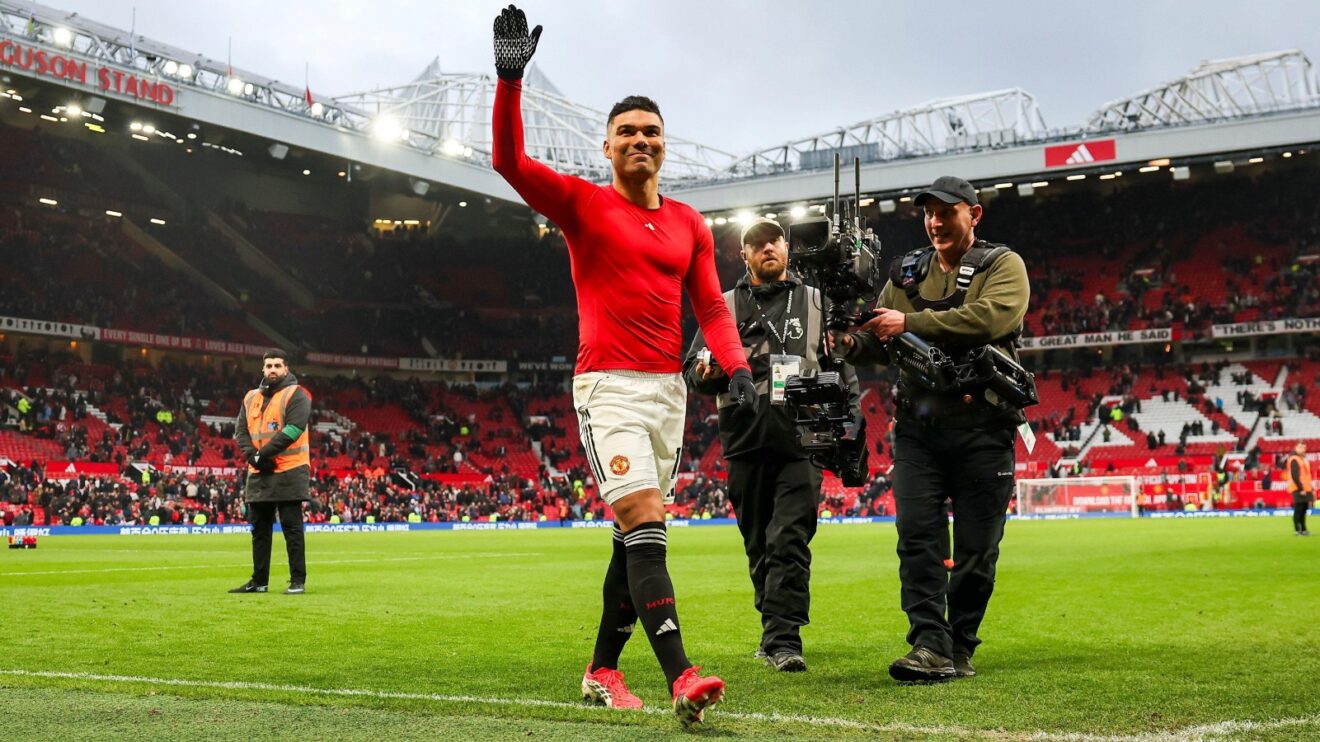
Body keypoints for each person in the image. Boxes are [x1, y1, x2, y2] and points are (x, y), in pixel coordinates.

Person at [491, 5, 754, 727]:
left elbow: (712, 309)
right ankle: (681, 675)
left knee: (630, 539)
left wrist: (737, 372)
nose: (641, 141)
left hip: (669, 393)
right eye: (628, 133)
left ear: (664, 147)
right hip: (606, 386)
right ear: (606, 147)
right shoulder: (582, 204)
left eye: (651, 133)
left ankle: (603, 670)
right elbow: (509, 163)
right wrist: (509, 81)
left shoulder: (689, 224)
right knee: (644, 519)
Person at [835, 175, 1030, 682]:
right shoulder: (904, 273)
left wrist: (909, 324)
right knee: (917, 537)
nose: (936, 221)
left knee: (976, 552)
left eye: (947, 212)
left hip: (984, 428)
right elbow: (883, 338)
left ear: (974, 214)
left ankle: (960, 644)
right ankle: (929, 644)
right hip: (918, 430)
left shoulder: (1002, 265)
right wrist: (851, 344)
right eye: (928, 214)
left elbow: (988, 320)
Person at [683, 217, 859, 673]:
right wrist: (706, 373)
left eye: (773, 241)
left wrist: (852, 421)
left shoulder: (815, 301)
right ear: (744, 255)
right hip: (743, 440)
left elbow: (842, 363)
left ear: (786, 247)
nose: (766, 249)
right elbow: (690, 369)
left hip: (802, 440)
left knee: (789, 539)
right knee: (759, 543)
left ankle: (785, 639)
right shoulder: (720, 306)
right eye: (755, 244)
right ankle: (773, 627)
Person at [229, 349, 312, 595]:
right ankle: (259, 581)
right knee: (259, 530)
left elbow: (294, 430)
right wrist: (253, 456)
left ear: (286, 369)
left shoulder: (297, 394)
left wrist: (261, 455)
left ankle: (297, 581)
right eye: (268, 365)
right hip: (258, 470)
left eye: (277, 365)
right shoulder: (250, 397)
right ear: (262, 369)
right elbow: (240, 432)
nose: (272, 369)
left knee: (291, 527)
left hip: (289, 469)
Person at [1285, 441, 1312, 536]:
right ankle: (1297, 530)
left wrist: (1309, 488)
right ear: (1295, 448)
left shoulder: (1302, 459)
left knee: (1304, 509)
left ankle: (1304, 529)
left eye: (1304, 447)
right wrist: (1301, 489)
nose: (1302, 449)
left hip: (1305, 488)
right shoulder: (1294, 459)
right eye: (1300, 447)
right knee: (1299, 509)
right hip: (1298, 488)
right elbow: (1295, 475)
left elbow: (1306, 476)